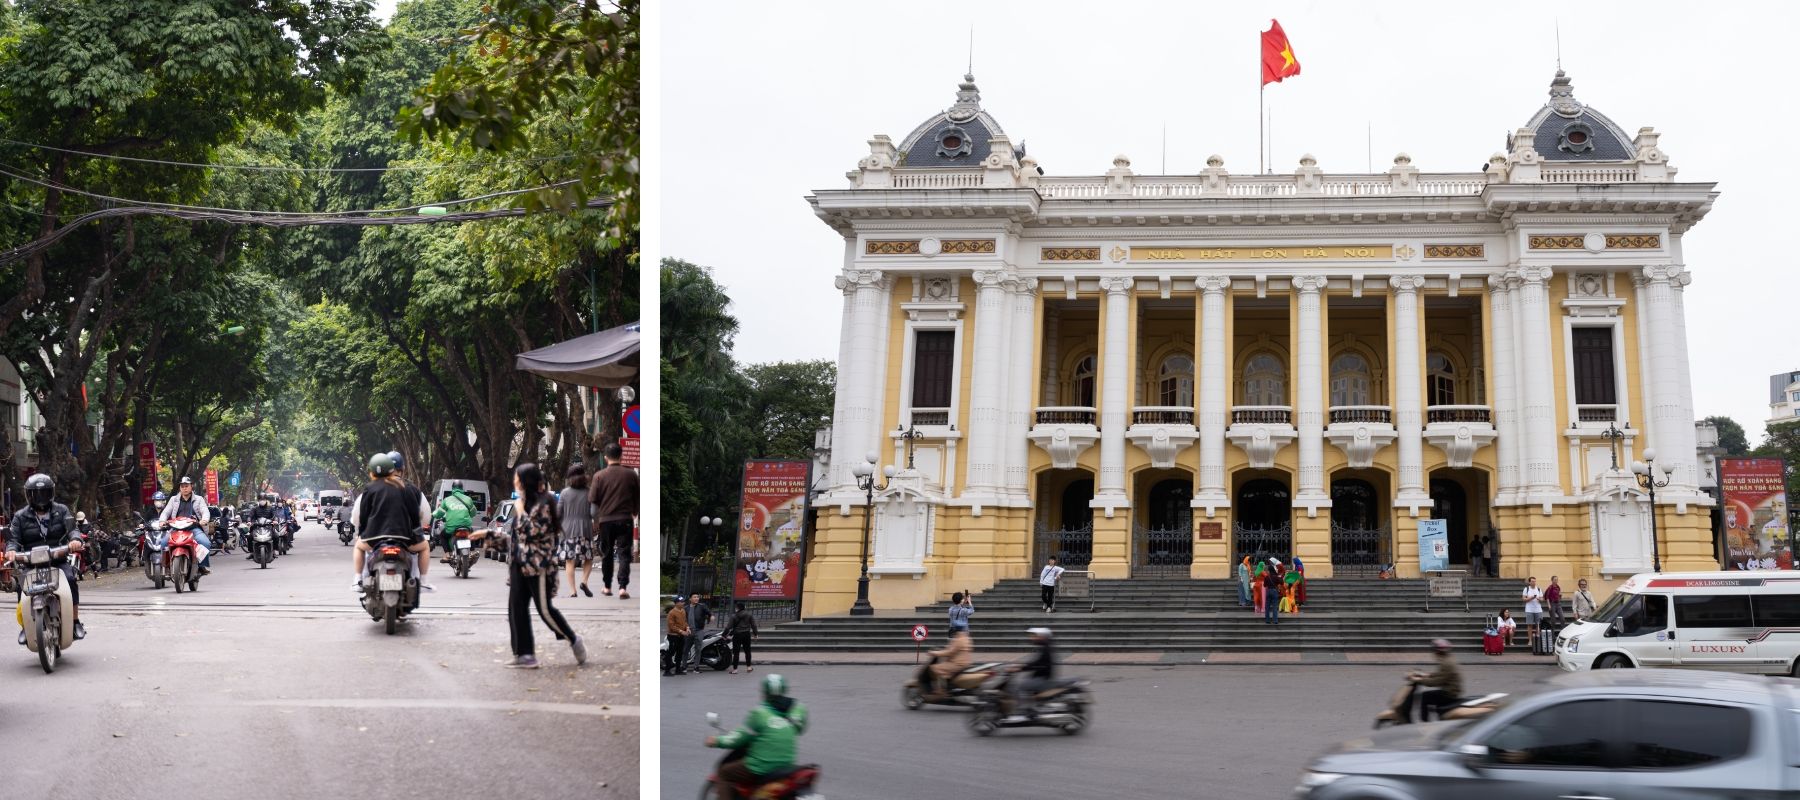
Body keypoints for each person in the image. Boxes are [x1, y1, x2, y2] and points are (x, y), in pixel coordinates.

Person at [488, 462, 585, 669]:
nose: (514, 481)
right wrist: (488, 537)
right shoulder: (522, 503)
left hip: (537, 566)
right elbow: (515, 540)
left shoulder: (543, 504)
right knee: (516, 608)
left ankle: (573, 639)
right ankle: (524, 655)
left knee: (545, 610)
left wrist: (521, 511)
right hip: (518, 564)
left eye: (516, 478)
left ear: (525, 482)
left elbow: (531, 533)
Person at [5, 473, 87, 642]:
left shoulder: (62, 510)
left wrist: (75, 540)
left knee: (71, 579)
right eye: (35, 493)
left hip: (58, 559)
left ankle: (75, 621)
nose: (40, 498)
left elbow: (73, 529)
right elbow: (13, 539)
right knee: (22, 587)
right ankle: (26, 627)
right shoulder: (20, 516)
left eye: (44, 493)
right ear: (29, 495)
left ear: (51, 493)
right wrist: (11, 550)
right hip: (31, 562)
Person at [705, 674, 809, 800]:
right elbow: (798, 729)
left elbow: (738, 738)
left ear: (764, 692)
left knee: (724, 772)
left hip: (761, 766)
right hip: (786, 764)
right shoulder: (797, 709)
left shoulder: (759, 713)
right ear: (784, 690)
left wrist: (717, 740)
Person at [349, 453, 433, 591]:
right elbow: (421, 517)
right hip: (405, 538)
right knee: (424, 547)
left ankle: (358, 578)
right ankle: (423, 581)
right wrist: (415, 531)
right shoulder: (410, 489)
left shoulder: (370, 488)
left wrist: (363, 532)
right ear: (403, 469)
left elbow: (361, 516)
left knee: (359, 546)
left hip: (374, 538)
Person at [589, 442, 639, 599]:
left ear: (605, 457)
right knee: (624, 553)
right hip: (625, 519)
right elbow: (638, 496)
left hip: (606, 521)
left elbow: (593, 500)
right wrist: (635, 512)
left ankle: (607, 586)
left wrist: (595, 520)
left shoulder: (599, 476)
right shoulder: (631, 475)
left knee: (607, 554)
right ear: (621, 456)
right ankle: (623, 587)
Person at [156, 477, 213, 575]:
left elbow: (205, 511)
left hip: (193, 528)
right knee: (163, 543)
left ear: (191, 487)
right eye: (182, 486)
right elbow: (166, 512)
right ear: (179, 488)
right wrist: (162, 521)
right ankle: (166, 566)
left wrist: (204, 520)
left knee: (206, 543)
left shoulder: (199, 499)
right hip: (176, 529)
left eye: (187, 486)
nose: (184, 488)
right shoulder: (173, 499)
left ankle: (201, 566)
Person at [1398, 639, 1463, 722]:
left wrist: (1419, 680)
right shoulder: (1448, 659)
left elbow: (1437, 682)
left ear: (1437, 651)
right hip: (1452, 690)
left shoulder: (1446, 663)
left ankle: (1425, 723)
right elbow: (1442, 674)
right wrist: (1427, 675)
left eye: (1434, 650)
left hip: (1450, 693)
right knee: (1429, 696)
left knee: (1424, 697)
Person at [556, 464, 593, 598]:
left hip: (568, 531)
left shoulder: (565, 493)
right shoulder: (589, 492)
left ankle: (573, 591)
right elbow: (594, 512)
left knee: (569, 561)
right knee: (588, 558)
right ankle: (584, 581)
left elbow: (559, 513)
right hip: (585, 530)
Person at [1010, 627, 1056, 720]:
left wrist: (1020, 668)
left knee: (1020, 687)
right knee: (1025, 684)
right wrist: (1022, 667)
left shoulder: (1045, 649)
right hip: (1042, 676)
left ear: (1042, 637)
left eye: (1035, 636)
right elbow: (1036, 663)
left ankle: (1028, 709)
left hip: (1043, 678)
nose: (1032, 638)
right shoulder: (1044, 647)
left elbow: (1037, 663)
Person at [432, 479, 479, 562]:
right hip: (466, 526)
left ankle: (447, 554)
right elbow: (473, 513)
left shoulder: (447, 500)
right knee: (472, 534)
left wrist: (433, 514)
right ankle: (472, 552)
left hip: (451, 527)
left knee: (443, 535)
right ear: (462, 488)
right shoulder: (468, 499)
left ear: (452, 488)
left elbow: (439, 513)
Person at [925, 628, 971, 694]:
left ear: (955, 633)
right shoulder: (966, 639)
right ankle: (948, 687)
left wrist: (933, 653)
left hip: (957, 664)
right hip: (964, 663)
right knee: (943, 667)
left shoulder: (958, 640)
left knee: (934, 668)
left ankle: (940, 690)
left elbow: (949, 652)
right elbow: (954, 650)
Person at [723, 600, 760, 674]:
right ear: (744, 607)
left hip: (737, 635)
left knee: (736, 652)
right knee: (747, 651)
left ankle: (735, 669)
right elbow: (754, 625)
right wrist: (755, 634)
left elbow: (728, 627)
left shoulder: (734, 616)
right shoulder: (749, 615)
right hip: (746, 634)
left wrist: (724, 635)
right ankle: (749, 667)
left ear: (737, 608)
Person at [665, 595, 691, 675]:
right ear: (676, 603)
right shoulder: (672, 613)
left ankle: (678, 669)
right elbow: (671, 626)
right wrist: (681, 631)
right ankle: (667, 670)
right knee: (670, 653)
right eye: (681, 602)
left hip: (681, 635)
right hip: (673, 636)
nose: (683, 603)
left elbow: (685, 621)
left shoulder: (683, 611)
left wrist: (687, 628)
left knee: (680, 652)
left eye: (683, 601)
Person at [687, 592, 713, 670]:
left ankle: (696, 666)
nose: (696, 598)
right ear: (690, 599)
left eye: (697, 597)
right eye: (694, 597)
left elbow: (709, 612)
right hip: (688, 631)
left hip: (699, 630)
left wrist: (711, 616)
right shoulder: (686, 608)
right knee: (686, 649)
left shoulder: (702, 606)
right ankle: (684, 666)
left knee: (698, 649)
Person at [1521, 576, 1544, 646]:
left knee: (1538, 625)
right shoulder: (1526, 589)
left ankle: (1538, 639)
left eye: (1534, 581)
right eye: (1532, 581)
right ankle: (1530, 640)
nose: (1534, 582)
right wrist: (1531, 598)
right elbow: (1523, 599)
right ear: (1529, 582)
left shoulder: (1539, 589)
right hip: (1529, 610)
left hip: (1538, 609)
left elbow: (1542, 599)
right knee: (1529, 625)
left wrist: (1538, 598)